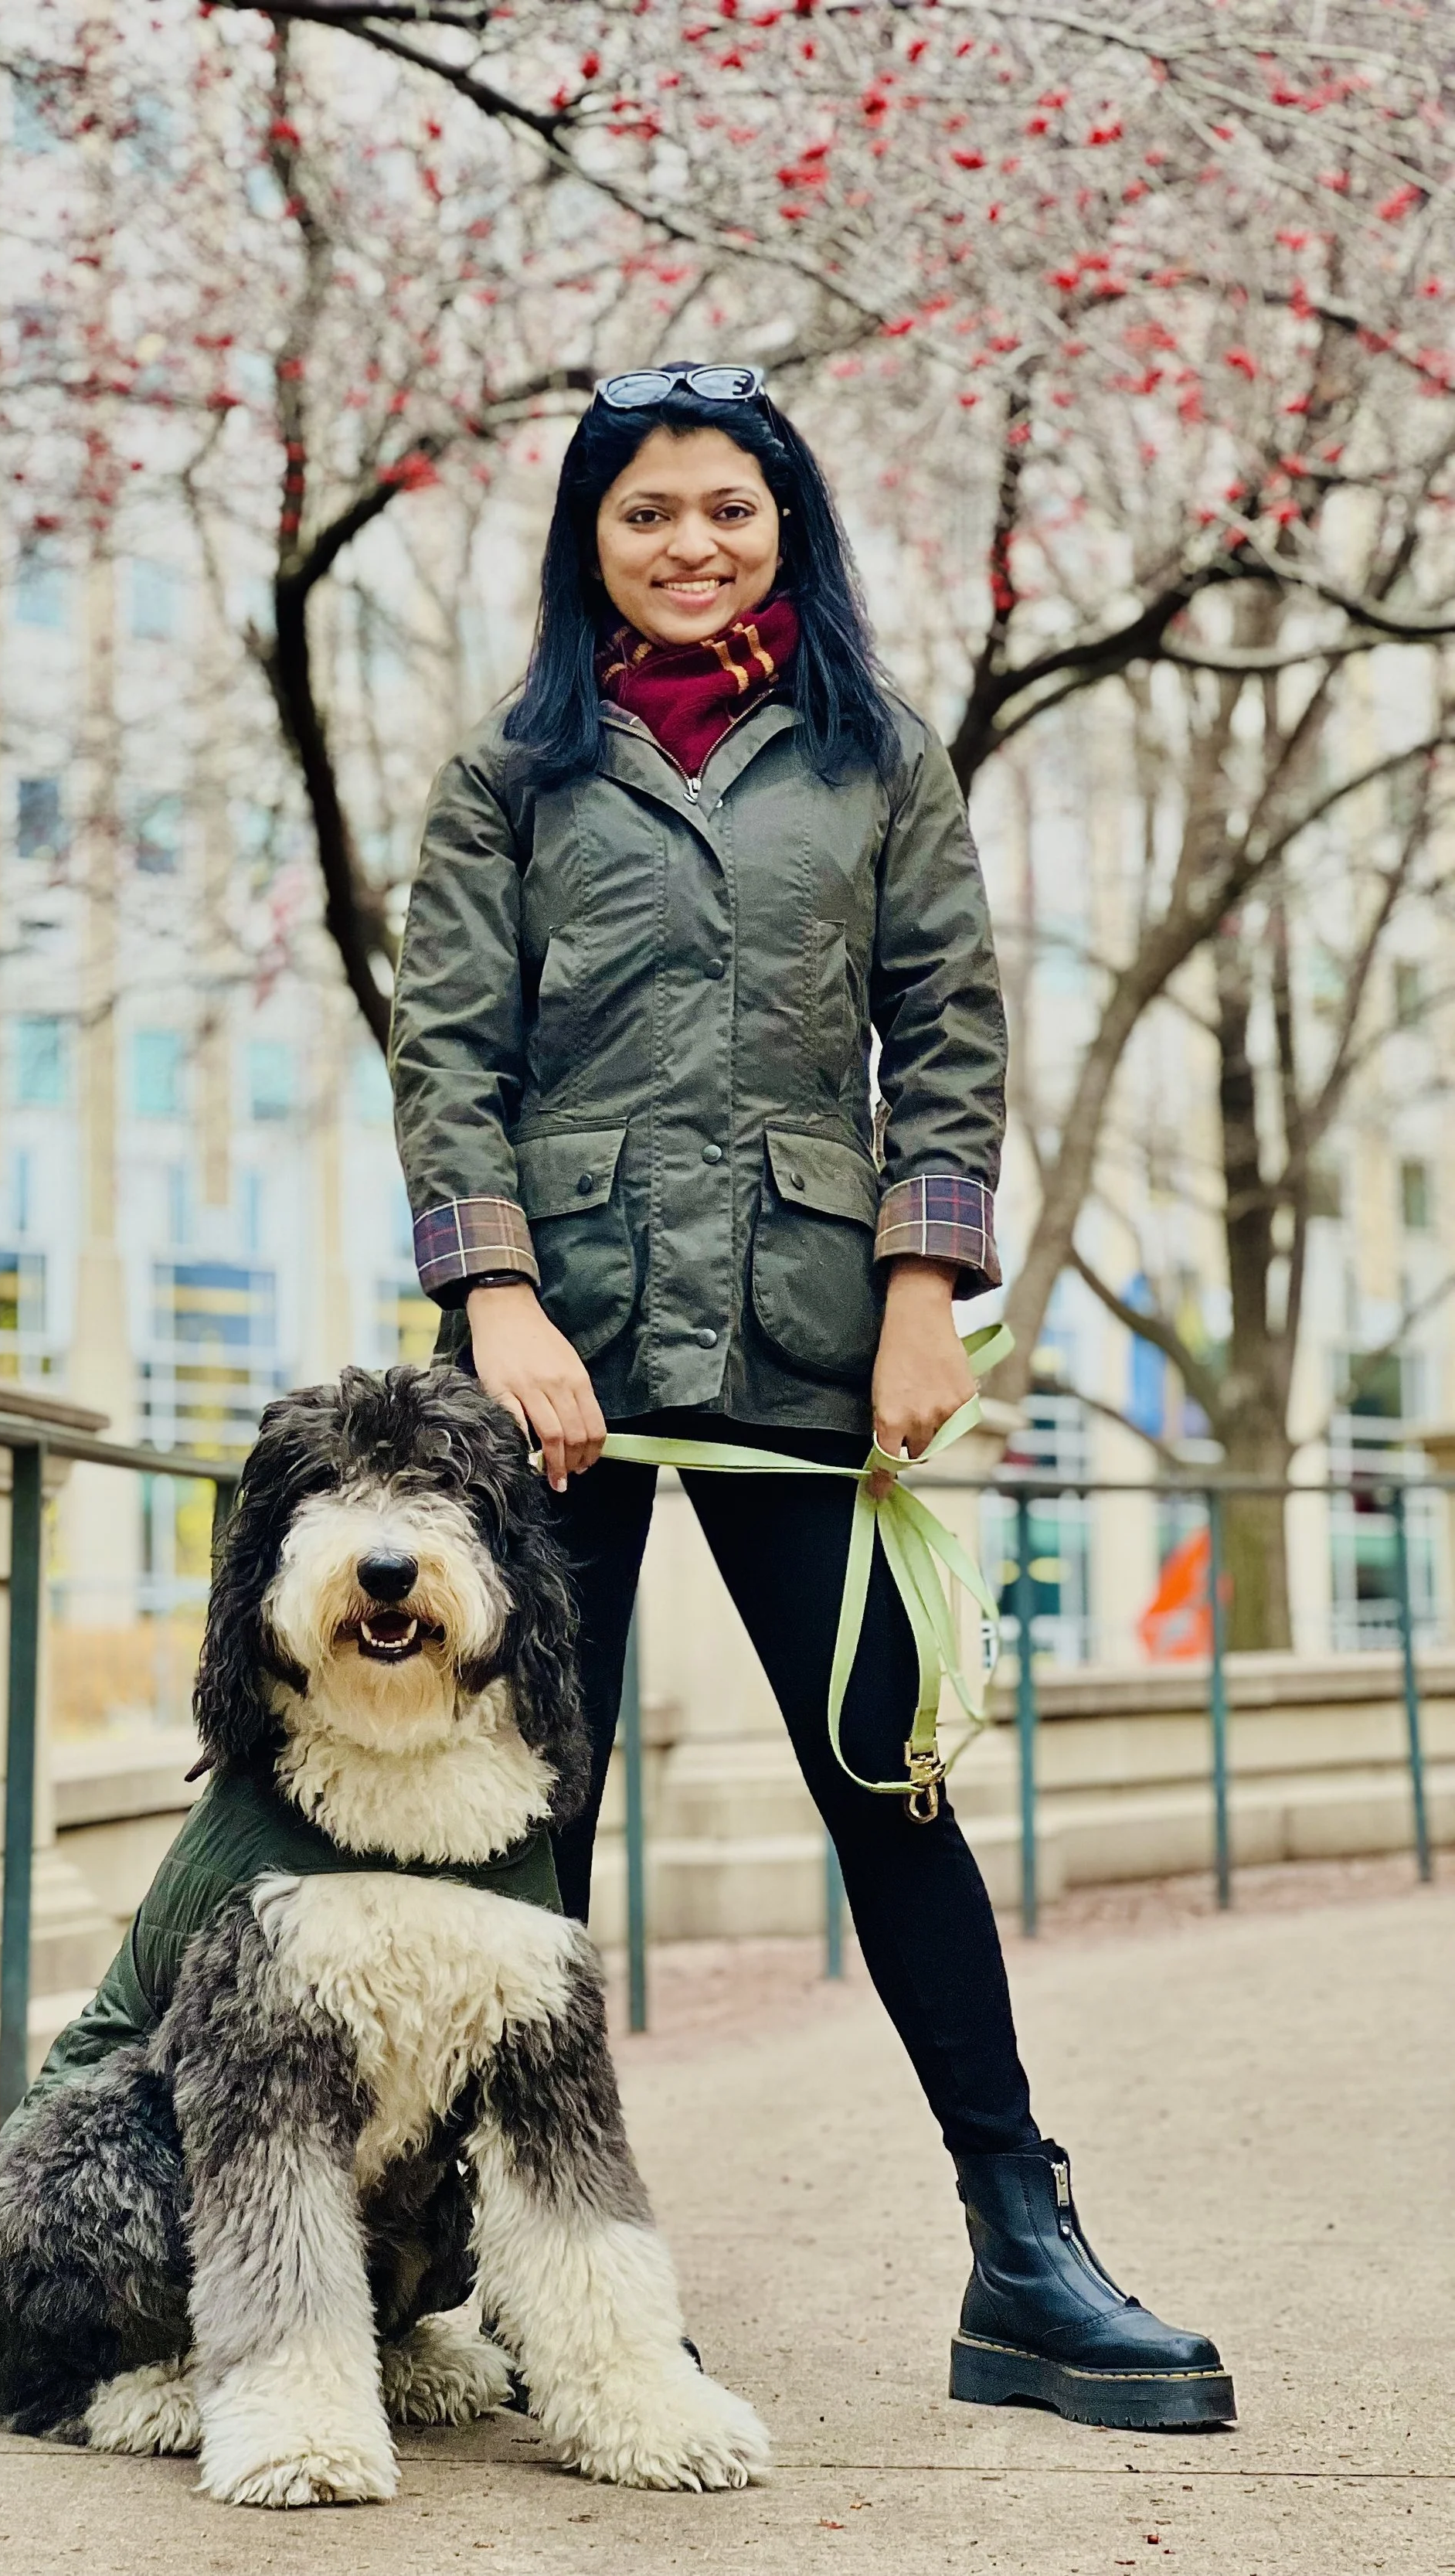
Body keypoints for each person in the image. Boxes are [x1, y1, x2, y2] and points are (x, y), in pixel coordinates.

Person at [386, 362, 1233, 2431]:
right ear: (590, 541)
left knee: (890, 1786)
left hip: (799, 1342)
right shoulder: (511, 775)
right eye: (647, 514)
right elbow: (443, 1054)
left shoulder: (875, 763)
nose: (689, 545)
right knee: (523, 1824)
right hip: (551, 1356)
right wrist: (495, 1302)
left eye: (727, 512)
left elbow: (947, 1026)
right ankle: (483, 2254)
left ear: (788, 530)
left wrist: (923, 1288)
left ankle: (1022, 2251)